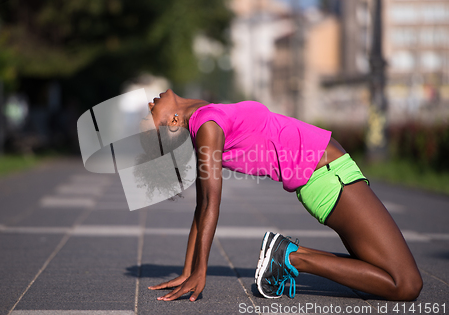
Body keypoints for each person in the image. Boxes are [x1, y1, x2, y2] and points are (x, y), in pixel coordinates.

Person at [143, 89, 422, 302]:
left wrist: (188, 268)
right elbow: (207, 203)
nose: (150, 104)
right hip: (328, 177)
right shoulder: (207, 127)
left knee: (381, 270)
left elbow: (201, 207)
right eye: (151, 118)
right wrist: (199, 270)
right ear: (174, 121)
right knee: (406, 285)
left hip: (331, 173)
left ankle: (289, 255)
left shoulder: (206, 113)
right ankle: (291, 257)